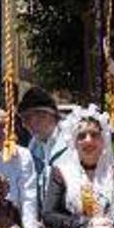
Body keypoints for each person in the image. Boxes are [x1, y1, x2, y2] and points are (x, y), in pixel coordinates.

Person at [39, 104, 114, 228]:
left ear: (103, 141)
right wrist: (88, 224)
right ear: (74, 143)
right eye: (81, 136)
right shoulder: (62, 173)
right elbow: (49, 216)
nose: (88, 141)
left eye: (94, 135)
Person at [17, 86, 67, 215]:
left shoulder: (70, 140)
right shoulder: (34, 145)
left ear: (44, 115)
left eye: (26, 118)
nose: (23, 125)